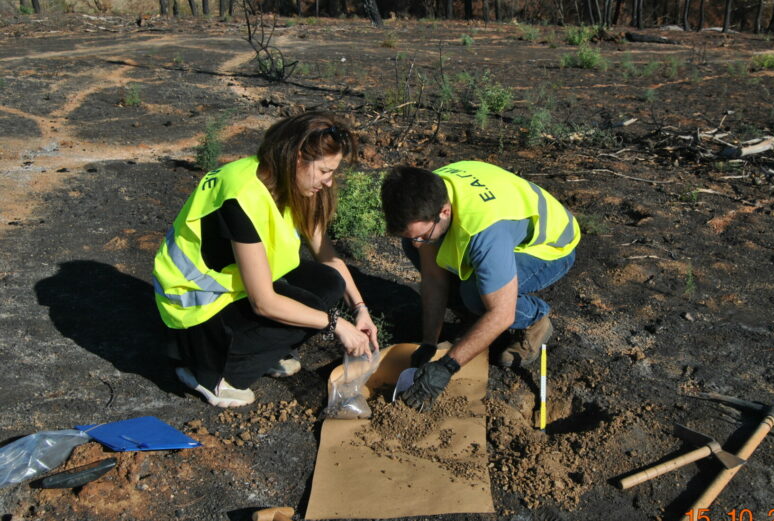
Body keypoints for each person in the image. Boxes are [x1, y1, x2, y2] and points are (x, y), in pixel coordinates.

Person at [153, 112, 378, 408]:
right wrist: (337, 324)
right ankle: (210, 374)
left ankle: (261, 349)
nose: (328, 182)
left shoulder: (287, 181)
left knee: (327, 284)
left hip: (233, 290)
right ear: (298, 158)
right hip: (195, 309)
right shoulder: (241, 197)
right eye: (325, 171)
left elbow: (329, 259)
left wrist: (360, 309)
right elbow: (264, 303)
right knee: (312, 312)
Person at [380, 161, 580, 411]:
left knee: (475, 296)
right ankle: (476, 313)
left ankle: (534, 319)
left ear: (444, 212)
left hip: (550, 247)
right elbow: (433, 278)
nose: (418, 244)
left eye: (422, 235)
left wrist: (446, 367)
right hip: (499, 229)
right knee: (417, 248)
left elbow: (502, 312)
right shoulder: (428, 190)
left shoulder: (485, 232)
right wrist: (429, 342)